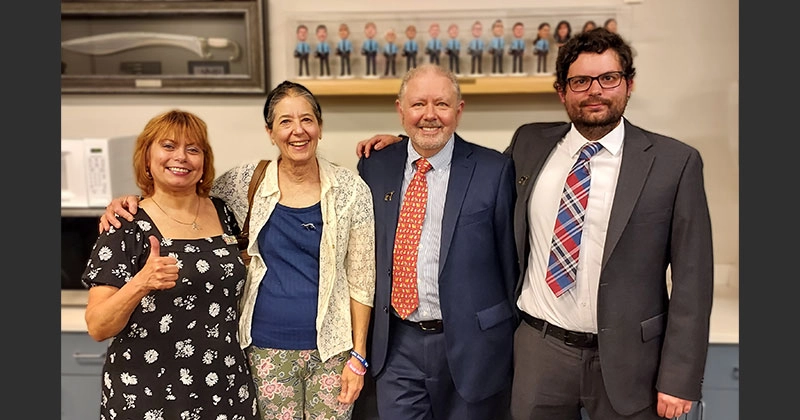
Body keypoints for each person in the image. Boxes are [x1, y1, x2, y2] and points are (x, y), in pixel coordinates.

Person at [355, 28, 714, 420]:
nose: (594, 91)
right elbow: (453, 164)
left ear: (628, 84)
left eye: (608, 78)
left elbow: (693, 282)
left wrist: (679, 377)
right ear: (563, 92)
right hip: (540, 352)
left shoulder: (673, 163)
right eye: (580, 81)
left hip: (629, 362)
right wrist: (402, 143)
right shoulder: (530, 145)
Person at [99, 81, 378, 420]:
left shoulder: (350, 190)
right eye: (285, 121)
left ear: (319, 127)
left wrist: (359, 355)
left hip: (331, 350)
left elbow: (363, 279)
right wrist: (130, 202)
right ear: (270, 132)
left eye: (307, 119)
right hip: (260, 349)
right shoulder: (245, 182)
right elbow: (179, 191)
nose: (297, 130)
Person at [356, 63, 519, 419]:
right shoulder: (374, 166)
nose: (429, 115)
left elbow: (511, 265)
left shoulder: (494, 170)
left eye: (442, 105)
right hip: (397, 345)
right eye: (418, 105)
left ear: (458, 111)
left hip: (473, 346)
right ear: (400, 110)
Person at [83, 109, 259, 419]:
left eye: (193, 149)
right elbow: (98, 326)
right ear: (147, 158)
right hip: (147, 393)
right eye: (168, 146)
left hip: (224, 388)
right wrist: (142, 282)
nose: (181, 157)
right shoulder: (125, 224)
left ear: (204, 162)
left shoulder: (224, 211)